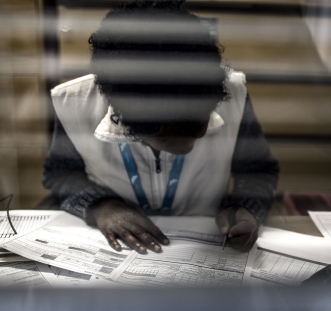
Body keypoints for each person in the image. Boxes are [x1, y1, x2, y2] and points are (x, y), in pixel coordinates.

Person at [43, 0, 279, 254]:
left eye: (200, 125)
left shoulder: (234, 95)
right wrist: (101, 206)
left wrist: (245, 207)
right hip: (116, 249)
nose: (189, 147)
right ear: (124, 120)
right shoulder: (73, 104)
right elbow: (60, 175)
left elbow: (258, 171)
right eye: (170, 138)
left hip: (204, 240)